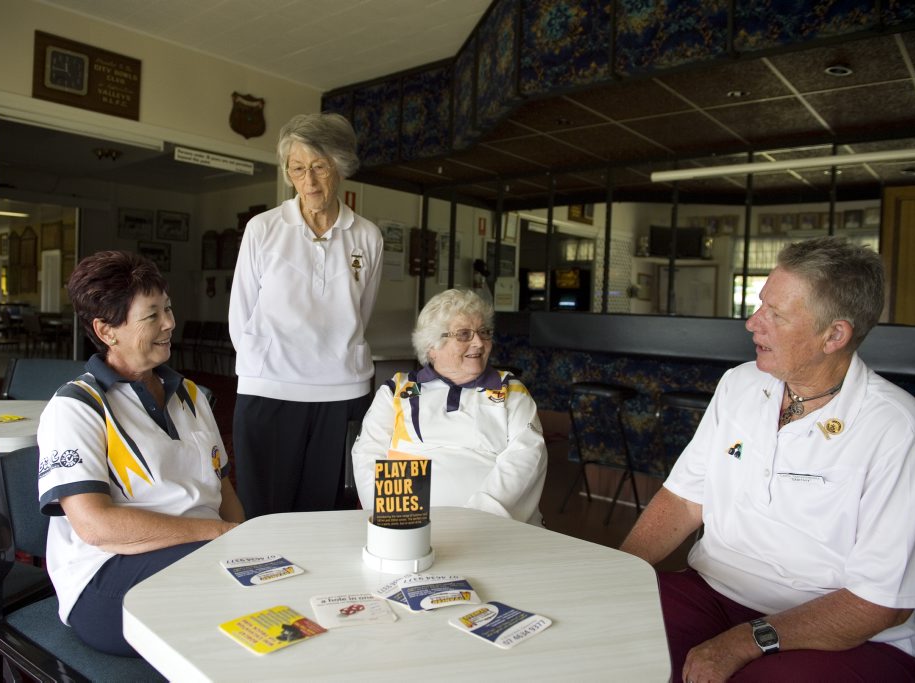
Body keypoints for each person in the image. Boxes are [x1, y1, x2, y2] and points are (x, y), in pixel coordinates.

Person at [619, 237, 915, 681]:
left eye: (774, 315)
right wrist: (614, 573)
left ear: (834, 335)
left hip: (838, 629)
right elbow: (684, 500)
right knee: (603, 638)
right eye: (761, 305)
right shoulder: (739, 385)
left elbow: (879, 606)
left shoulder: (898, 429)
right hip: (711, 590)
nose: (752, 323)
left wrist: (742, 641)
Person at [38, 250, 244, 657]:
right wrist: (217, 536)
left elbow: (225, 492)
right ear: (107, 329)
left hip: (203, 554)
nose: (169, 323)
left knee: (273, 581)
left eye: (167, 309)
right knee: (242, 607)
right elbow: (96, 526)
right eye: (152, 315)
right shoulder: (77, 407)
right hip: (106, 579)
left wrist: (241, 544)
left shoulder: (190, 395)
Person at [228, 112, 383, 518]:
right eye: (298, 169)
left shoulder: (367, 236)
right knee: (265, 512)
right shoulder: (263, 229)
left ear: (341, 167)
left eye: (320, 167)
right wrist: (266, 364)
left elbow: (360, 313)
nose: (309, 181)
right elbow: (241, 314)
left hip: (342, 392)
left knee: (330, 513)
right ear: (287, 172)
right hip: (270, 390)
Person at [352, 288, 547, 524]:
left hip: (491, 530)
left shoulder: (511, 391)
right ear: (432, 346)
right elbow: (367, 455)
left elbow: (527, 458)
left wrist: (478, 518)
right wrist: (394, 522)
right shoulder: (396, 390)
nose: (479, 342)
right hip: (408, 528)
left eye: (484, 332)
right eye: (464, 334)